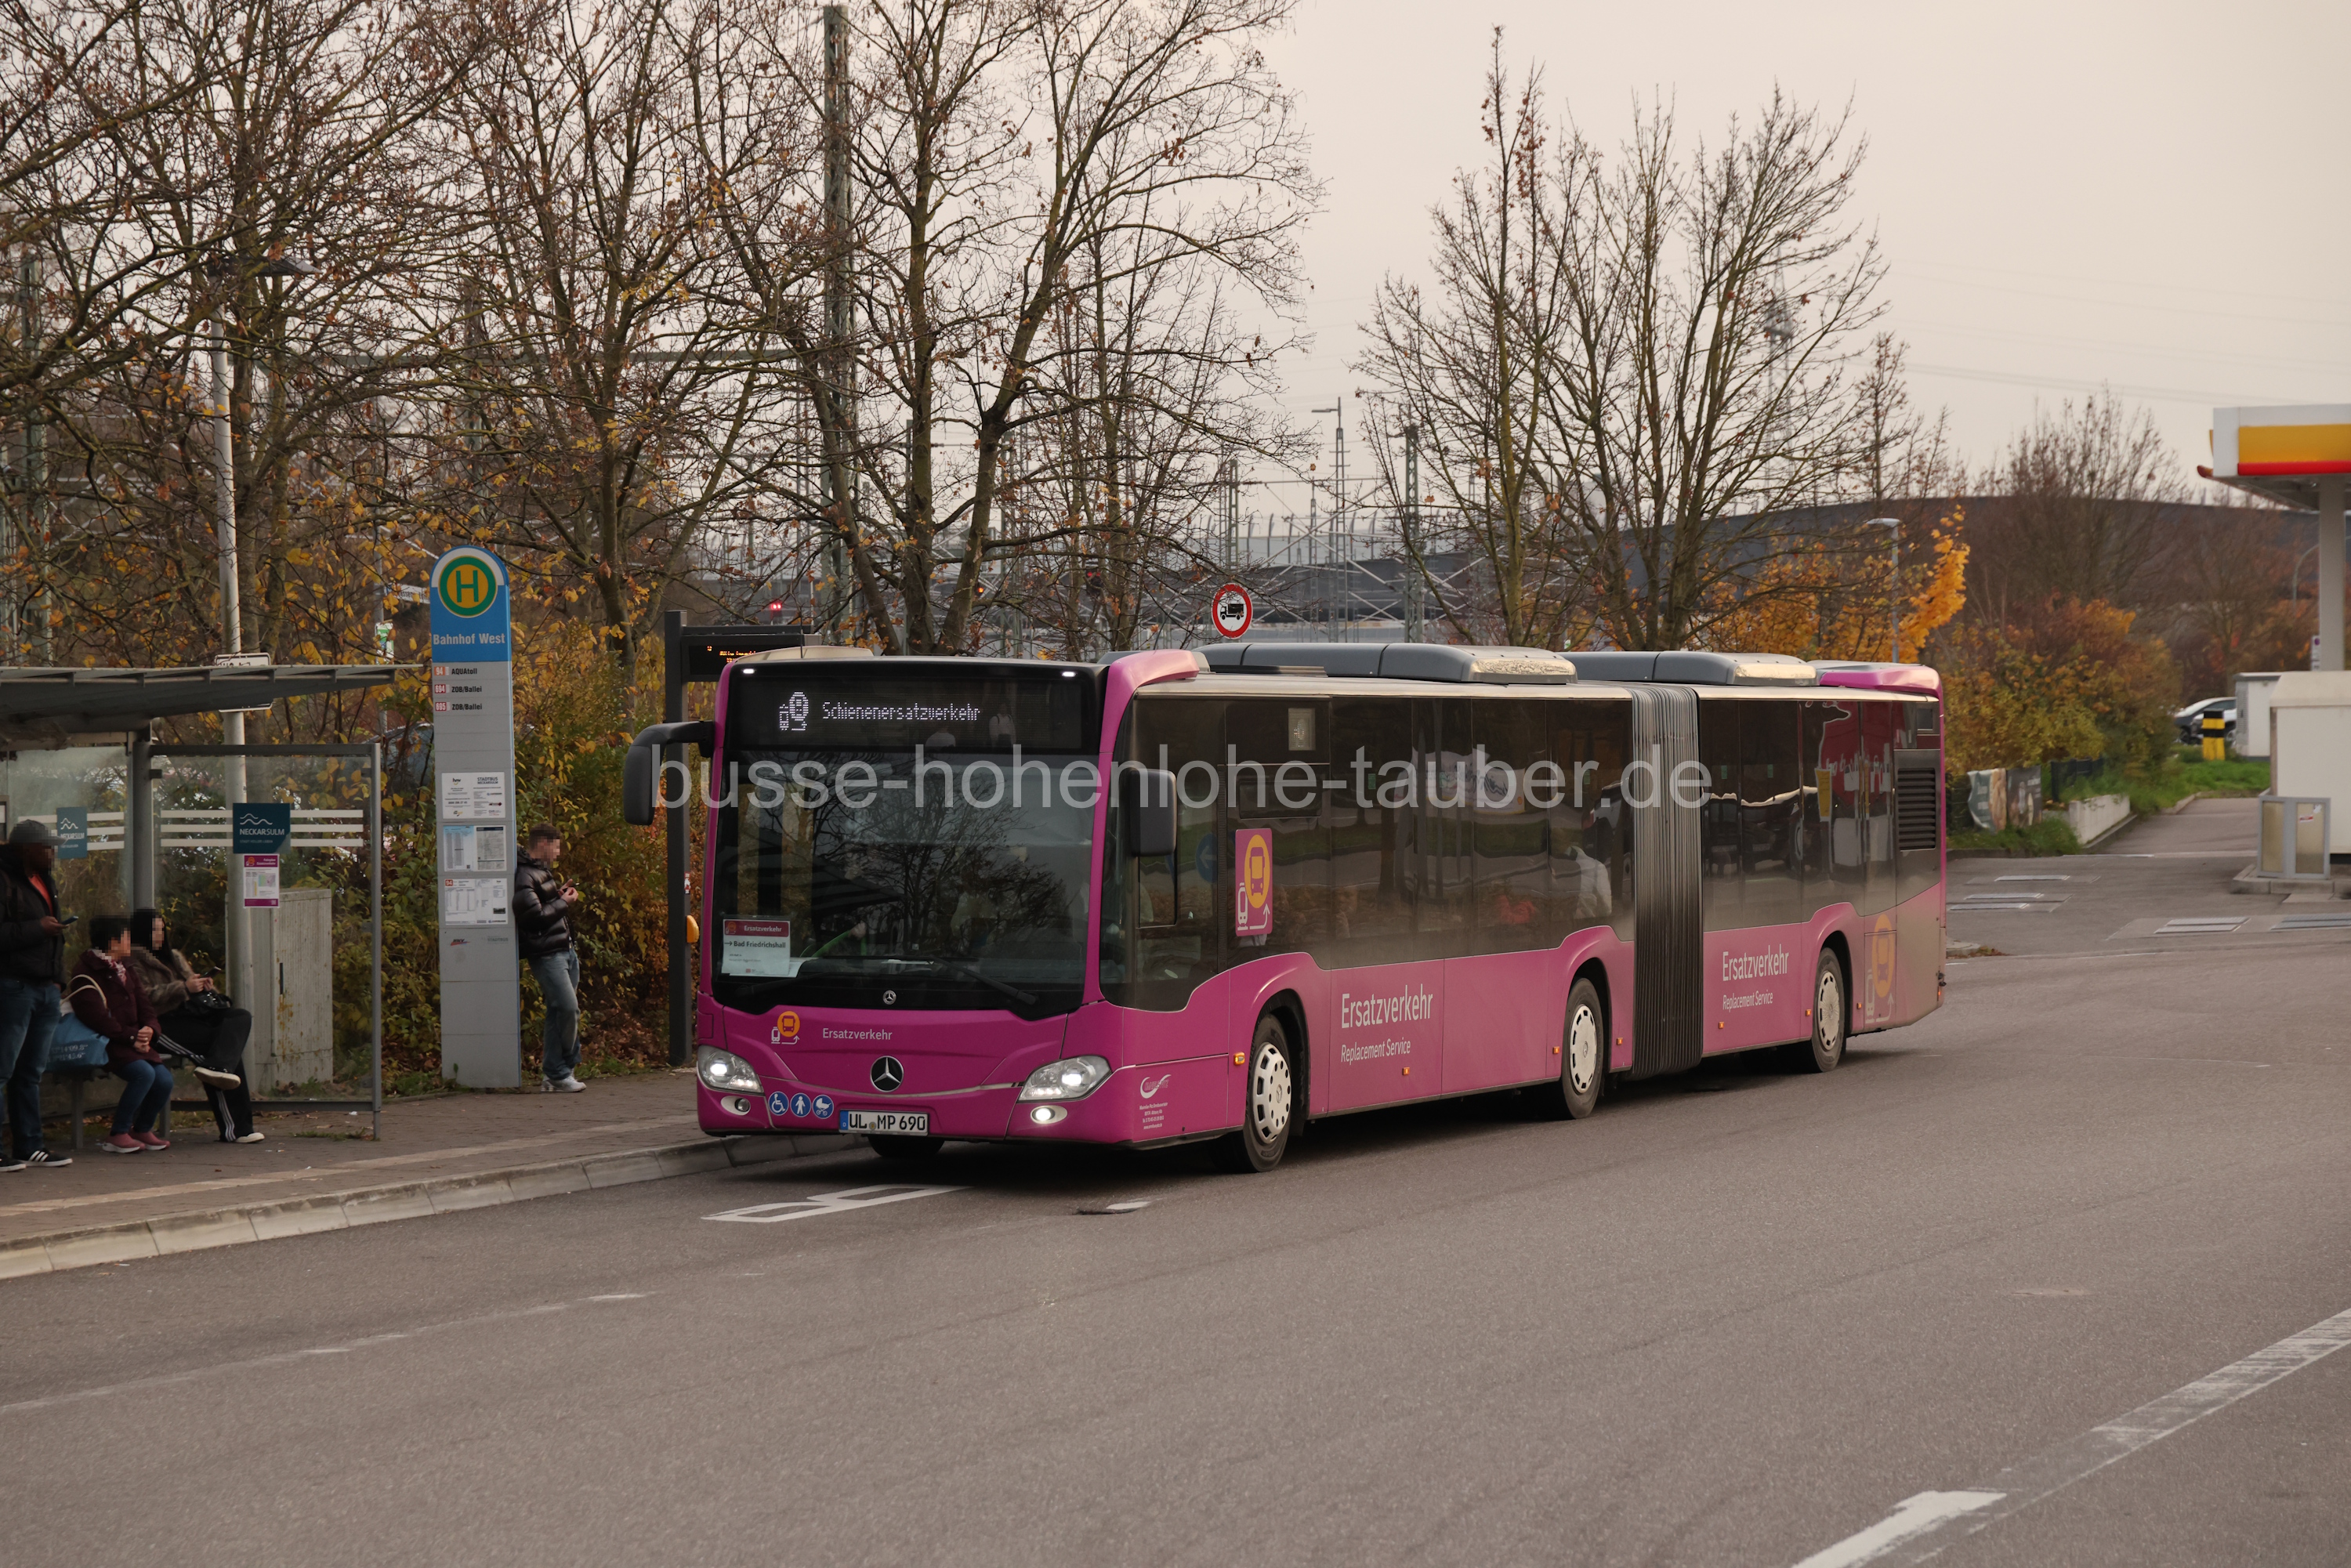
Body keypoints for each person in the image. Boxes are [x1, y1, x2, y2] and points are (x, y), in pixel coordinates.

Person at [128, 909, 262, 1144]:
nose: (160, 935)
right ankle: (237, 1128)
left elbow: (192, 988)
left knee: (238, 1019)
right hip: (160, 1024)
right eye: (155, 930)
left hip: (192, 1015)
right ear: (142, 932)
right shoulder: (133, 960)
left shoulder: (174, 957)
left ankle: (218, 1071)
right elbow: (143, 997)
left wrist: (204, 987)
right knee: (216, 1049)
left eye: (162, 930)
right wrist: (183, 988)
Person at [0, 819, 71, 1169]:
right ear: (26, 849)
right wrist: (37, 928)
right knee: (3, 1069)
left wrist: (59, 981)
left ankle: (29, 1145)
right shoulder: (4, 880)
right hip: (13, 986)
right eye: (47, 847)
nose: (53, 853)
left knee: (30, 1072)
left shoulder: (45, 880)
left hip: (45, 989)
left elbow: (54, 937)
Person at [68, 914, 172, 1153]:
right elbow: (97, 1020)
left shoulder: (127, 967)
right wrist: (133, 1038)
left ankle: (142, 1128)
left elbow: (146, 1006)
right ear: (113, 941)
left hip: (136, 1042)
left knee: (164, 1080)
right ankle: (118, 1133)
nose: (130, 942)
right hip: (108, 1044)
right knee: (144, 1074)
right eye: (126, 937)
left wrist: (150, 1029)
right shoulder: (86, 973)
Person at [513, 824, 585, 1092]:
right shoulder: (524, 875)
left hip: (564, 949)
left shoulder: (539, 870)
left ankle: (555, 1074)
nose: (558, 852)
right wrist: (564, 903)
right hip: (547, 954)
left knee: (558, 1012)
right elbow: (533, 918)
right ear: (543, 843)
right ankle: (565, 1066)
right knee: (568, 1008)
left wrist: (557, 895)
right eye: (556, 846)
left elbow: (541, 906)